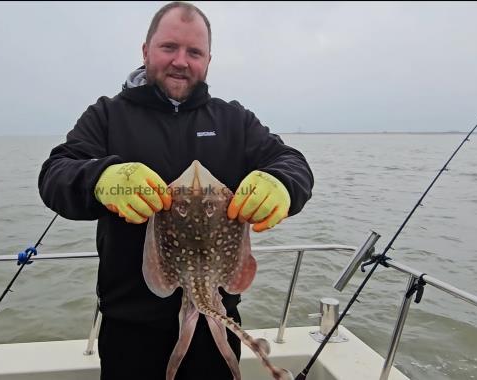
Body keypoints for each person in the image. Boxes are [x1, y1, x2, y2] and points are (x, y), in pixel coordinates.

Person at [38, 2, 313, 379]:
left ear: (208, 60)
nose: (181, 61)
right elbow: (55, 175)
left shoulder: (233, 121)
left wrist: (282, 183)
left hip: (217, 315)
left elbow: (291, 162)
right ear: (146, 50)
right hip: (129, 330)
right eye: (169, 47)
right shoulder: (107, 116)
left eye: (194, 52)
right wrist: (102, 178)